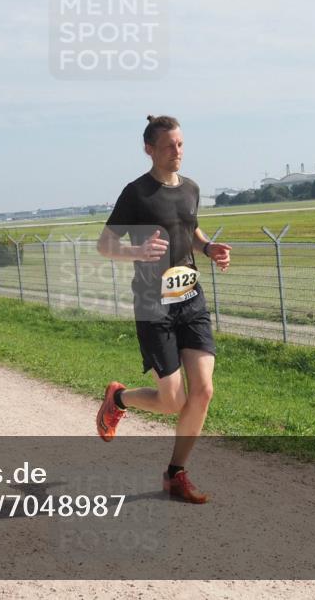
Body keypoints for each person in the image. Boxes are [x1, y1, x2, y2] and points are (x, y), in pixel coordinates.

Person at [95, 115, 232, 504]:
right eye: (170, 145)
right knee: (172, 401)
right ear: (149, 149)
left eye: (181, 144)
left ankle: (176, 474)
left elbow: (189, 228)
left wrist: (208, 248)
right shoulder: (136, 193)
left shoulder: (190, 188)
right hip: (153, 305)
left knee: (203, 390)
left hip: (190, 298)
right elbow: (105, 244)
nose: (178, 152)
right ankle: (118, 399)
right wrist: (135, 251)